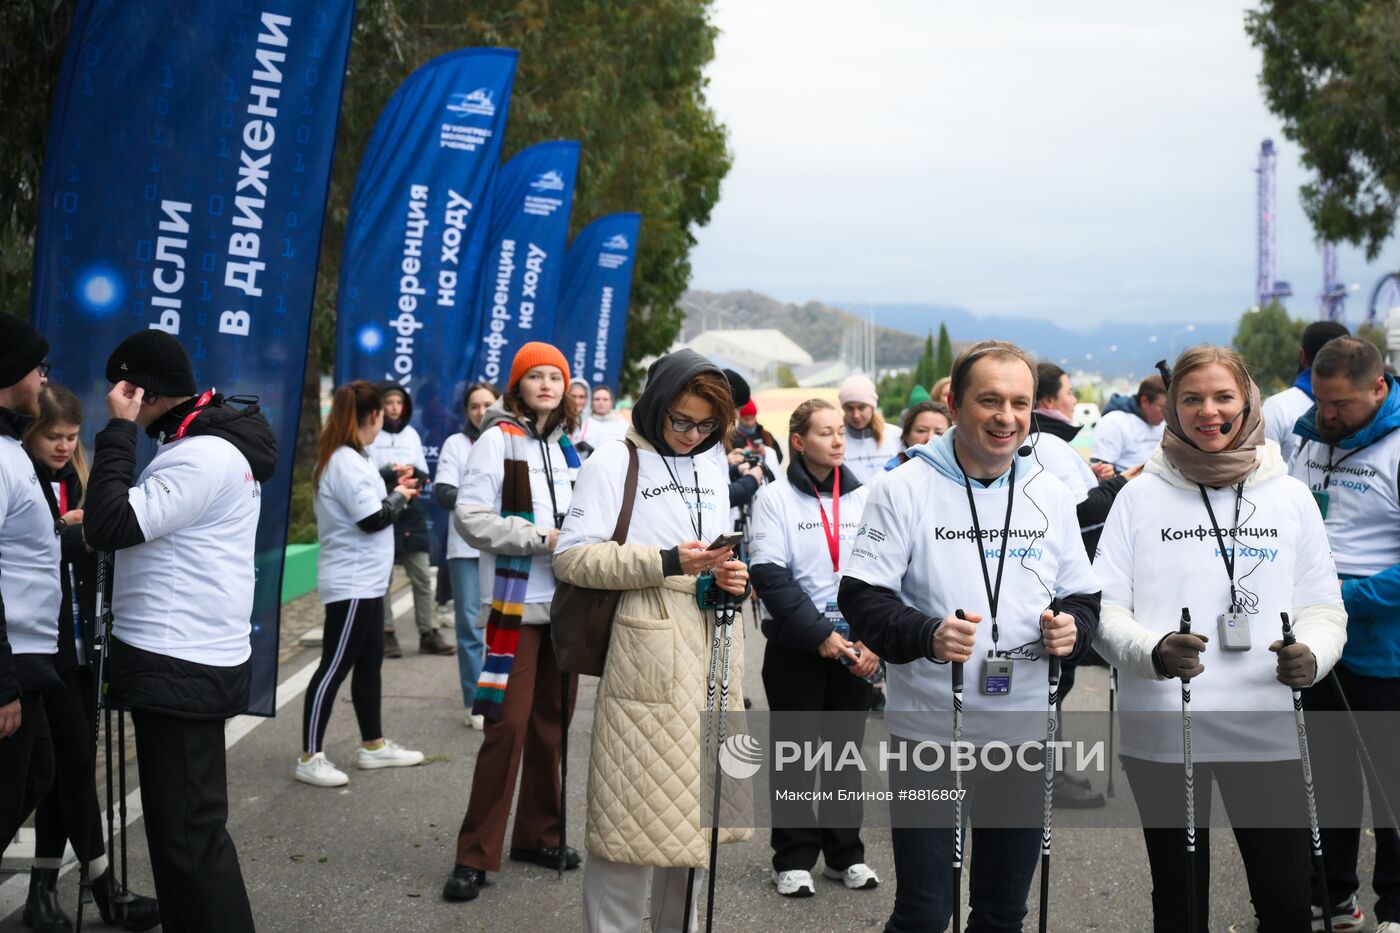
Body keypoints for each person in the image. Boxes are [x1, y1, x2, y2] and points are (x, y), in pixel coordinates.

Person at [839, 340, 1101, 932]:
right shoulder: (902, 488)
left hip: (1022, 729)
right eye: (989, 400)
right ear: (955, 403)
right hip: (930, 728)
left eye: (1019, 402)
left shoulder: (1050, 493)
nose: (1006, 416)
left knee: (1003, 912)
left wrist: (1073, 630)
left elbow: (1084, 597)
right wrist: (927, 633)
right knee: (926, 913)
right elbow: (860, 597)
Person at [1093, 344, 1347, 931]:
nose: (1209, 411)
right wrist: (1152, 652)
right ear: (1172, 408)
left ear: (1247, 400)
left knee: (1285, 903)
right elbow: (1104, 611)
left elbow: (1322, 608)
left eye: (1223, 396)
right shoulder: (1139, 495)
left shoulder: (1289, 495)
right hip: (1166, 726)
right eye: (1192, 399)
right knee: (1181, 905)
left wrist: (1313, 655)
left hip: (1265, 722)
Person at [84, 329, 277, 931]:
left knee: (190, 834)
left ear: (140, 389)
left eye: (121, 388)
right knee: (177, 831)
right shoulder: (197, 444)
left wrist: (116, 431)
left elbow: (112, 523)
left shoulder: (202, 452)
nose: (115, 398)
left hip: (181, 661)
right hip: (182, 658)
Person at [553, 348, 752, 931]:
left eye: (706, 425)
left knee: (695, 825)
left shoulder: (712, 463)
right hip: (648, 648)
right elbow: (571, 557)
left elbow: (708, 551)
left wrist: (731, 577)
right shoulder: (614, 459)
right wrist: (667, 561)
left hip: (713, 642)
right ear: (656, 404)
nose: (692, 435)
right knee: (631, 822)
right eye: (681, 421)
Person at [443, 342, 579, 904]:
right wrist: (540, 538)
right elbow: (471, 518)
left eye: (556, 376)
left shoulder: (574, 449)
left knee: (554, 726)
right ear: (517, 385)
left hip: (566, 605)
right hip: (516, 605)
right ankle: (474, 854)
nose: (547, 384)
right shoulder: (496, 440)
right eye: (536, 376)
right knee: (508, 725)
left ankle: (539, 837)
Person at [23, 385, 160, 931]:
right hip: (39, 649)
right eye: (53, 437)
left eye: (71, 437)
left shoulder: (79, 477)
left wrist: (93, 532)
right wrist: (71, 534)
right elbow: (27, 550)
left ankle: (42, 889)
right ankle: (105, 891)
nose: (62, 446)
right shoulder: (21, 477)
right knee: (73, 765)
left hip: (83, 647)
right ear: (31, 434)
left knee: (68, 770)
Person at [1287, 336, 1400, 932]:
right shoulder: (1305, 433)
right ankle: (1330, 895)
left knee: (1389, 783)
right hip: (1312, 640)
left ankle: (1397, 907)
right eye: (1322, 401)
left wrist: (1340, 601)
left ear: (1379, 388)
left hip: (1383, 646)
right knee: (1323, 776)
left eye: (1343, 405)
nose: (1329, 415)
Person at [751, 397, 881, 898]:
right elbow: (770, 575)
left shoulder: (866, 497)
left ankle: (845, 855)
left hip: (855, 647)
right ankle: (793, 858)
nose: (837, 440)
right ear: (800, 441)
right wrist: (819, 635)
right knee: (796, 757)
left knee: (844, 756)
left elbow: (883, 571)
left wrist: (872, 639)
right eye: (825, 432)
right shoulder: (774, 499)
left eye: (840, 433)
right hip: (797, 648)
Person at [297, 380, 426, 787]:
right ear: (372, 416)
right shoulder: (344, 462)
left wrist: (391, 484)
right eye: (381, 417)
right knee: (333, 667)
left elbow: (369, 503)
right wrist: (402, 495)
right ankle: (309, 756)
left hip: (368, 582)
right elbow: (371, 519)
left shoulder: (354, 457)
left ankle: (373, 745)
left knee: (369, 663)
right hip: (352, 583)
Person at [0, 317, 60, 868]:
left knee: (38, 775)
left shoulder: (10, 445)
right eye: (39, 368)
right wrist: (2, 685)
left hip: (28, 660)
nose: (45, 380)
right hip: (9, 664)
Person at [369, 381, 453, 658]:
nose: (394, 408)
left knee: (421, 576)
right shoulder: (373, 436)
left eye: (398, 403)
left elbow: (424, 473)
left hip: (411, 513)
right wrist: (391, 473)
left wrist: (409, 472)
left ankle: (428, 632)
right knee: (383, 577)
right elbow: (367, 476)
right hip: (382, 510)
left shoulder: (412, 435)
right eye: (389, 403)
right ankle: (386, 632)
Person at [434, 381, 500, 730]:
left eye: (486, 404)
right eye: (474, 406)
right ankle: (474, 701)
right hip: (465, 550)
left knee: (505, 626)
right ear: (466, 411)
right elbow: (443, 492)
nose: (480, 411)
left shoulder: (509, 439)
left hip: (504, 546)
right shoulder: (455, 445)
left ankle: (501, 695)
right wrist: (483, 499)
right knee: (471, 629)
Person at [1262, 320, 1349, 466]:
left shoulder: (1277, 407)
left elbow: (1261, 471)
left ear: (1302, 355)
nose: (1328, 415)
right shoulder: (1364, 412)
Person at [1091, 374, 1166, 476]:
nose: (1167, 414)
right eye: (1163, 408)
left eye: (1170, 409)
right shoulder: (1114, 421)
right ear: (1144, 401)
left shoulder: (1166, 424)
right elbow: (1102, 471)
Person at [838, 374, 900, 483]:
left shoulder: (895, 435)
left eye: (861, 408)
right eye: (849, 408)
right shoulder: (838, 439)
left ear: (872, 407)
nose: (856, 415)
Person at [884, 400, 952, 470]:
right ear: (907, 435)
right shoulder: (887, 477)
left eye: (939, 433)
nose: (930, 438)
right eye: (922, 431)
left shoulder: (960, 476)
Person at [571, 382, 629, 457]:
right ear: (591, 402)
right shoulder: (582, 422)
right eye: (597, 399)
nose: (601, 402)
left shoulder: (623, 424)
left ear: (611, 402)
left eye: (605, 399)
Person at [734, 398, 784, 466]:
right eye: (746, 419)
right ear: (739, 418)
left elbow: (779, 457)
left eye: (752, 418)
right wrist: (748, 452)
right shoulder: (733, 438)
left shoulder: (765, 434)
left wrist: (766, 453)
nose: (750, 423)